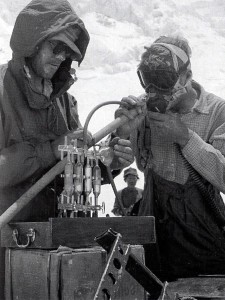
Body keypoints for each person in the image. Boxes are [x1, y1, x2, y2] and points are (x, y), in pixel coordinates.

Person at [0, 0, 134, 297]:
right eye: (55, 47)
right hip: (9, 244)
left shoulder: (64, 100)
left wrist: (109, 162)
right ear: (32, 43)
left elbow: (71, 169)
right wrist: (52, 149)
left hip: (59, 243)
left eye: (67, 53)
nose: (60, 58)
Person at [115, 35, 225, 282]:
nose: (154, 91)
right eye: (149, 81)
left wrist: (186, 138)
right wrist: (122, 131)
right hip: (154, 242)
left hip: (205, 246)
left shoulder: (218, 112)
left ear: (186, 77)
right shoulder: (144, 110)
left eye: (164, 81)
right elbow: (121, 161)